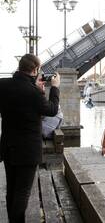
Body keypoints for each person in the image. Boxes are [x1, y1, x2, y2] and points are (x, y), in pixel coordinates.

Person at [0, 54, 60, 223]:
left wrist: (36, 90)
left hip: (8, 146)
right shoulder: (34, 93)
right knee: (22, 191)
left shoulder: (3, 85)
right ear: (35, 70)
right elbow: (52, 109)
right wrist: (54, 88)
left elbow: (19, 97)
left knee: (11, 188)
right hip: (27, 151)